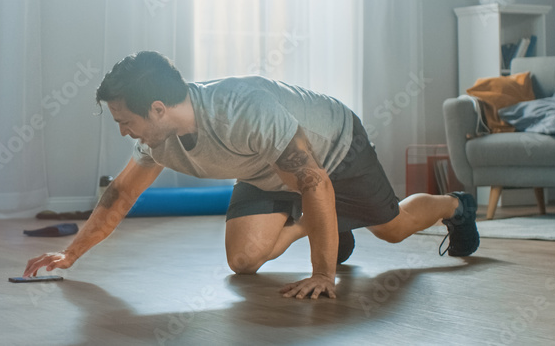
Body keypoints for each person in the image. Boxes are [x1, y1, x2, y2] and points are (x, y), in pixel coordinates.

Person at [24, 51, 478, 299]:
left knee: (394, 230)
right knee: (244, 262)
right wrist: (70, 254)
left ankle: (455, 205)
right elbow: (119, 196)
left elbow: (315, 180)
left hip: (333, 149)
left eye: (126, 120)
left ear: (158, 109)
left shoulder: (243, 112)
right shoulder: (158, 138)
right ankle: (330, 224)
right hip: (262, 168)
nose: (124, 131)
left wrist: (324, 274)